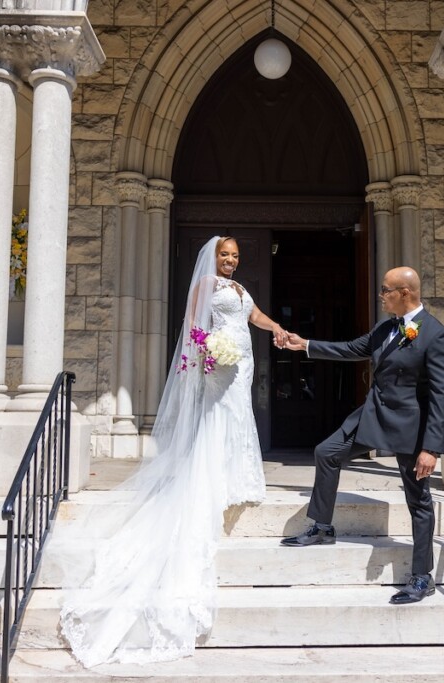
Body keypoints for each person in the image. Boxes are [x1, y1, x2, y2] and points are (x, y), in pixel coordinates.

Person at [55, 236, 287, 666]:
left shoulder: (239, 289)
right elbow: (192, 326)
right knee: (220, 416)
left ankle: (240, 475)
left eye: (236, 255)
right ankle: (214, 476)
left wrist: (277, 329)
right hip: (220, 362)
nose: (231, 260)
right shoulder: (206, 286)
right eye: (225, 255)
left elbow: (253, 315)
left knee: (240, 415)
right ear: (213, 257)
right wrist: (206, 353)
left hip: (243, 361)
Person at [280, 266, 444, 605]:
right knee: (327, 451)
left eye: (386, 290)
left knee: (418, 501)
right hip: (373, 415)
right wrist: (306, 345)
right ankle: (322, 526)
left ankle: (422, 576)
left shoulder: (436, 335)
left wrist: (431, 448)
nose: (381, 296)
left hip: (410, 428)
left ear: (405, 293)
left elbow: (442, 396)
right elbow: (351, 349)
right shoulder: (386, 327)